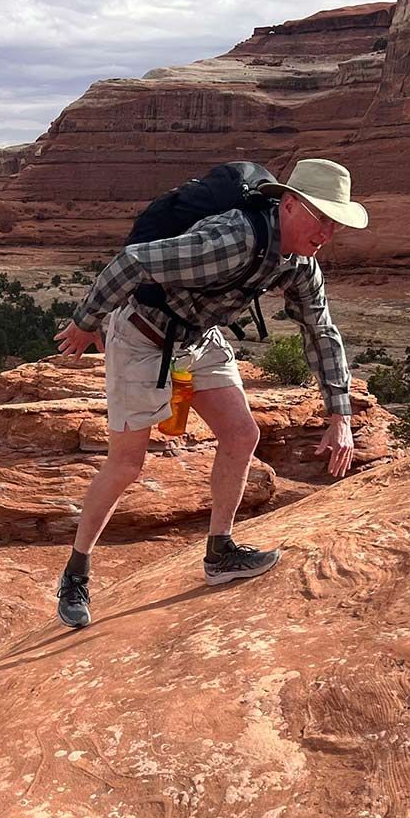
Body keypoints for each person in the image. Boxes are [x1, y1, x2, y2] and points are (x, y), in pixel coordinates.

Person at [52, 158, 367, 628]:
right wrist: (85, 322)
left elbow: (321, 331)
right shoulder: (232, 239)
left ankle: (220, 552)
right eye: (319, 217)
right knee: (127, 463)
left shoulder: (301, 264)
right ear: (289, 204)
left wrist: (339, 415)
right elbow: (135, 260)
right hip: (142, 336)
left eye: (335, 223)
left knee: (242, 436)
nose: (326, 232)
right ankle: (75, 572)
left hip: (198, 340)